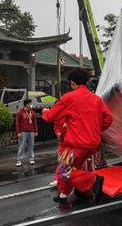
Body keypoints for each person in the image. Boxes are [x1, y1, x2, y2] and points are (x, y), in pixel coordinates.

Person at [41, 68, 113, 205]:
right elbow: (108, 118)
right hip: (92, 143)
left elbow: (51, 116)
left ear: (72, 83)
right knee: (73, 167)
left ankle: (93, 181)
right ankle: (64, 195)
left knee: (63, 169)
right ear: (86, 82)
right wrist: (96, 129)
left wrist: (44, 112)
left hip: (76, 143)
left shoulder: (69, 98)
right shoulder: (96, 99)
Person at [15, 98, 38, 167]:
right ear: (27, 104)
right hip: (23, 131)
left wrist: (36, 131)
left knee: (31, 145)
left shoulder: (32, 112)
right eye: (30, 103)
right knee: (21, 146)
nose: (31, 105)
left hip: (31, 131)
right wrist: (18, 132)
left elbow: (34, 122)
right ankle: (19, 160)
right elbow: (17, 122)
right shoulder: (20, 112)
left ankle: (31, 159)